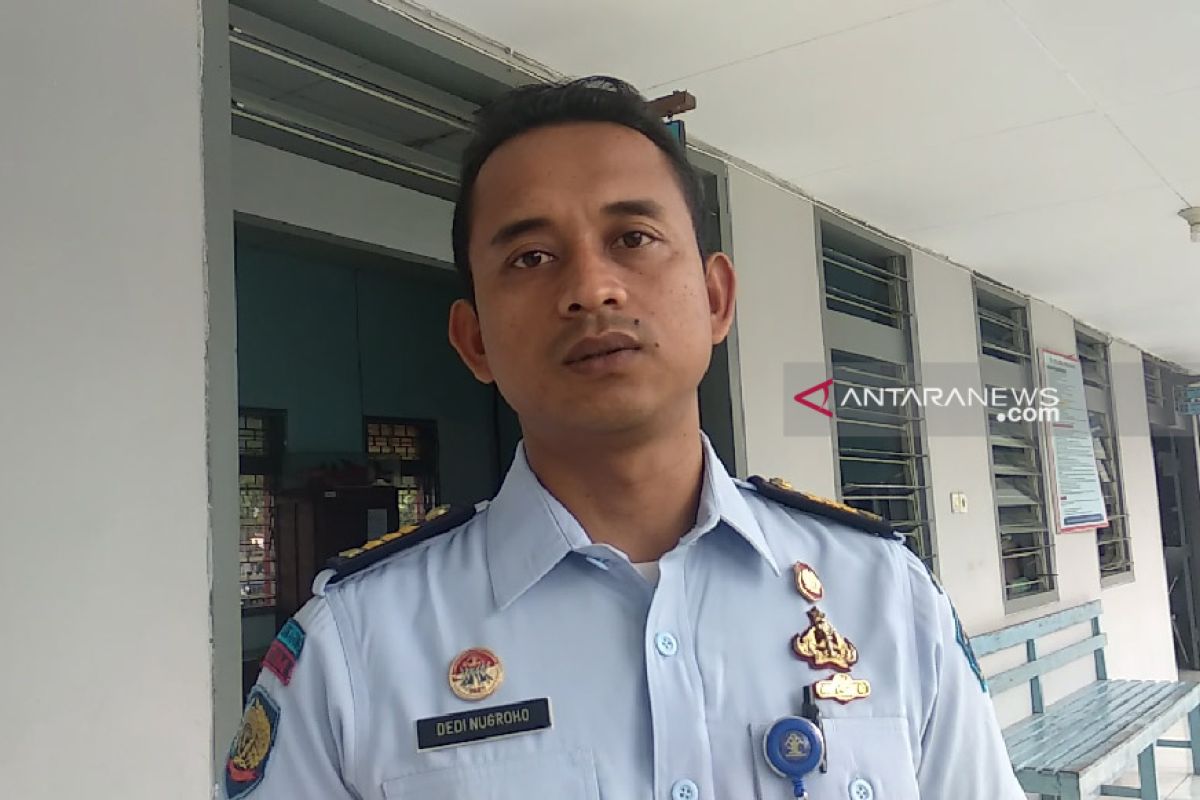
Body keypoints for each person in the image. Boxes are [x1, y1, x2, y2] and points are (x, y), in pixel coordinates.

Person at [217, 76, 1025, 800]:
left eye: (633, 238)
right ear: (475, 342)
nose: (591, 288)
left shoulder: (885, 597)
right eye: (531, 256)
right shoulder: (354, 649)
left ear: (716, 298)